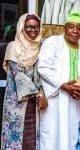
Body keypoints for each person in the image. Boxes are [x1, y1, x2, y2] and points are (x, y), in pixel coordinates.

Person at [38, 11, 80, 150]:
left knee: (70, 135)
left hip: (75, 100)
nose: (75, 31)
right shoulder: (53, 42)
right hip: (55, 98)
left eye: (79, 27)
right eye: (71, 27)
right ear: (65, 28)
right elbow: (43, 68)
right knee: (51, 135)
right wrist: (63, 85)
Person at [1, 13, 47, 149]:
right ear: (22, 27)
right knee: (15, 137)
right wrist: (39, 95)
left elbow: (43, 72)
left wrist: (42, 95)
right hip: (17, 101)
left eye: (36, 27)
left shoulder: (42, 47)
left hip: (35, 103)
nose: (33, 30)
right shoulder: (13, 47)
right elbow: (18, 74)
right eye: (29, 27)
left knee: (32, 137)